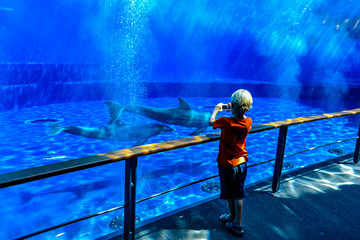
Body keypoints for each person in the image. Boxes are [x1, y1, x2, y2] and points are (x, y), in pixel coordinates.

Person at [209, 89, 253, 236]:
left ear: (233, 105)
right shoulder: (248, 122)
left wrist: (216, 110)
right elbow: (237, 121)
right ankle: (237, 222)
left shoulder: (225, 122)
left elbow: (211, 122)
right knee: (238, 194)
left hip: (227, 165)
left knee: (229, 195)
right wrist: (234, 109)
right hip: (242, 163)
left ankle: (234, 222)